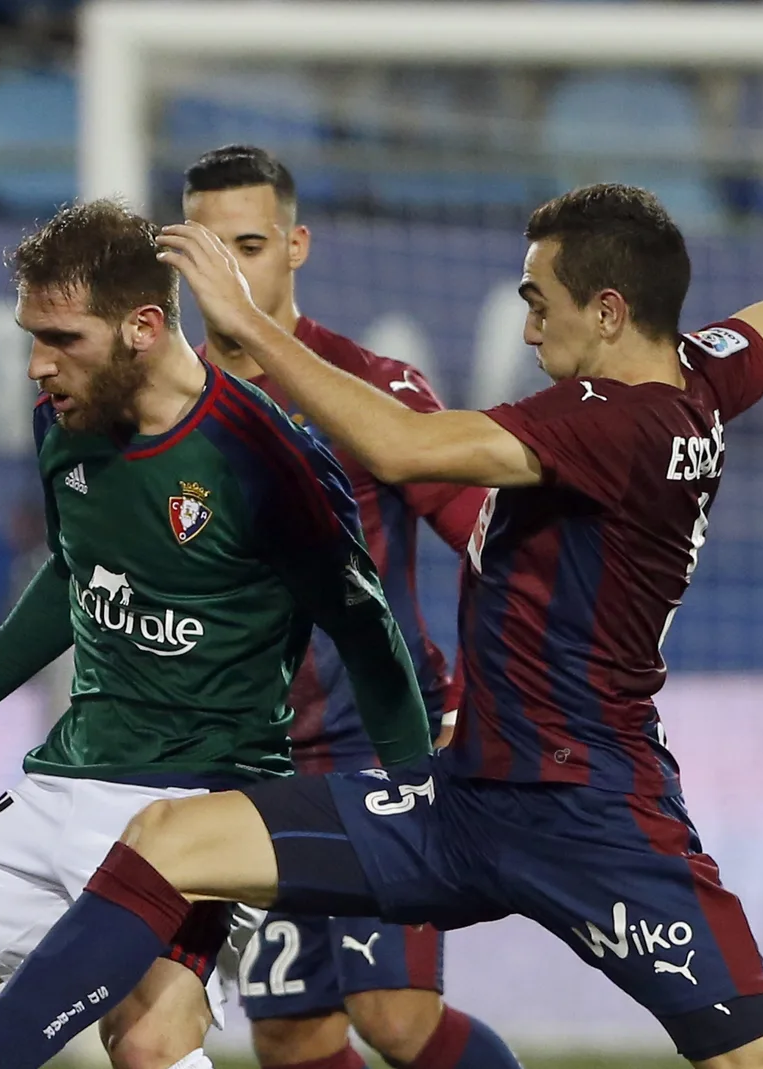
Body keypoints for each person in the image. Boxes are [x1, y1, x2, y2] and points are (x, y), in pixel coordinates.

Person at [0, 41, 763, 1069]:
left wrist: (248, 326)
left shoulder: (604, 425)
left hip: (591, 816)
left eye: (540, 301)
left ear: (607, 313)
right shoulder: (703, 374)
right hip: (465, 797)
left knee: (757, 1051)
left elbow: (398, 442)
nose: (528, 327)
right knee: (166, 841)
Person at [0, 200, 432, 1069]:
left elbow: (365, 628)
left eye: (61, 338)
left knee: (149, 1042)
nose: (36, 366)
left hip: (194, 804)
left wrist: (418, 798)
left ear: (144, 326)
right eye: (30, 335)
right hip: (64, 780)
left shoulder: (265, 459)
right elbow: (77, 568)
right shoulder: (67, 419)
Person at [182, 144, 518, 1069]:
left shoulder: (370, 389)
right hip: (252, 764)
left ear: (296, 245)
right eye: (207, 249)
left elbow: (490, 536)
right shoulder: (163, 407)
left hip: (382, 749)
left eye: (248, 244)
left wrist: (471, 697)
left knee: (395, 1013)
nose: (229, 271)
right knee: (290, 1035)